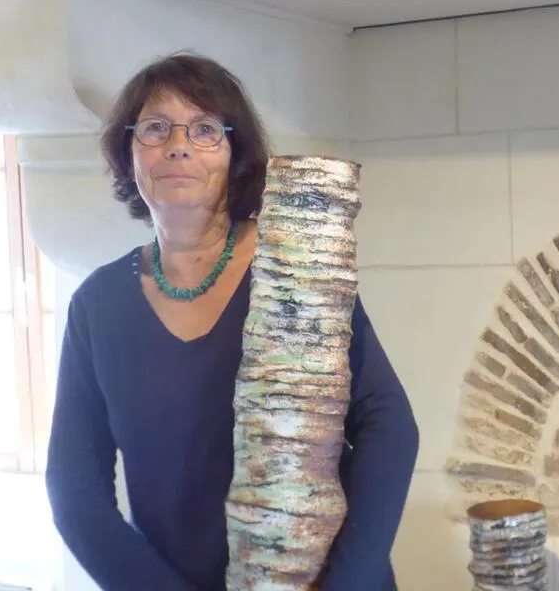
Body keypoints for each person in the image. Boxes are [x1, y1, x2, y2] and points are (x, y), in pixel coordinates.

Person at [45, 53, 419, 591]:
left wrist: (348, 582)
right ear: (129, 153)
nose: (178, 145)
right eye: (155, 128)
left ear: (235, 153)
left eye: (204, 130)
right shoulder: (97, 305)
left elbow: (389, 425)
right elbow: (74, 488)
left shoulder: (291, 267)